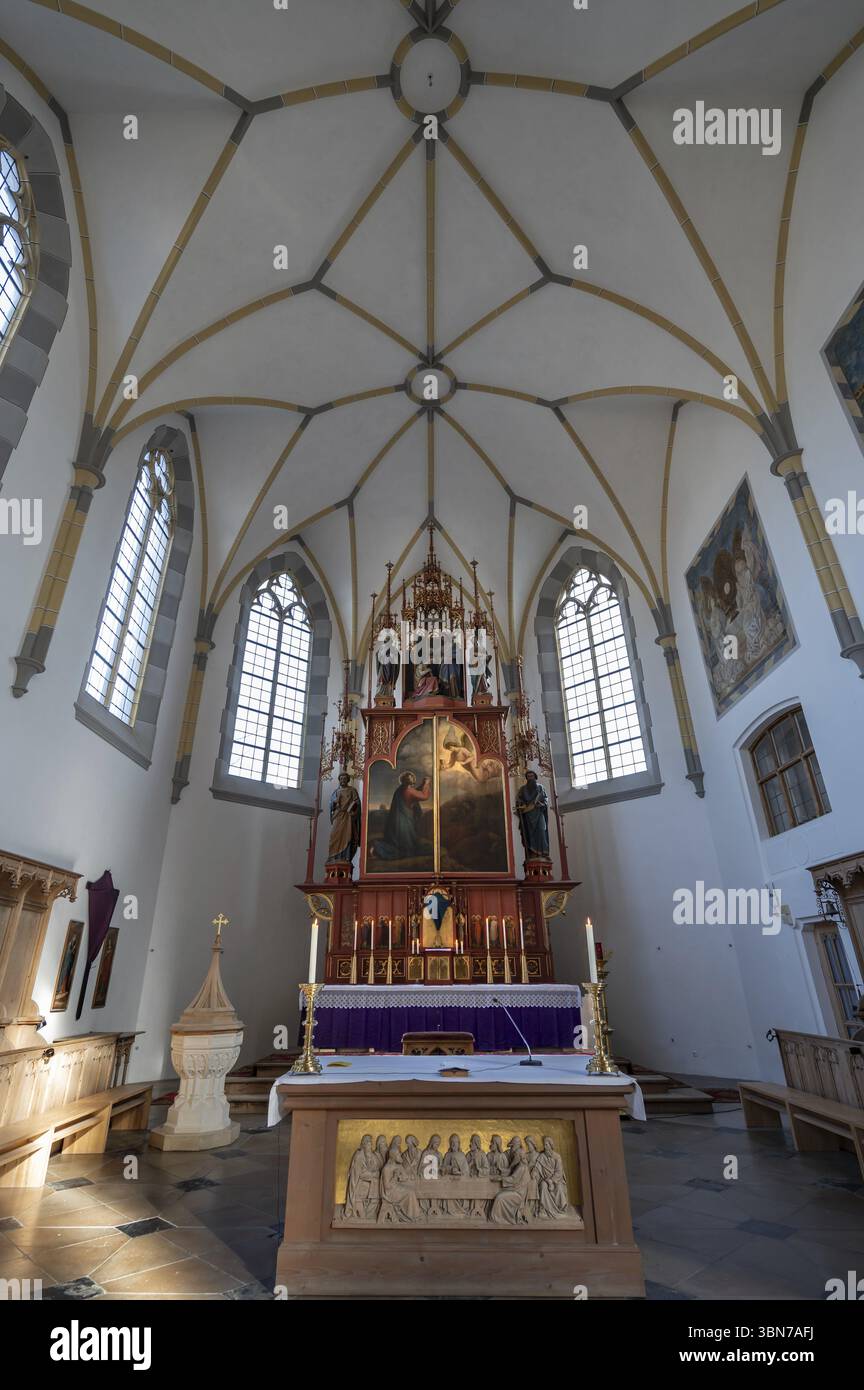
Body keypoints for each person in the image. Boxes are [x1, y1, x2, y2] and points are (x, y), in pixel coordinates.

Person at [371, 770, 431, 861]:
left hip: (399, 819)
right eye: (412, 779)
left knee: (404, 842)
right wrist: (426, 784)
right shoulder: (409, 790)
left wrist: (422, 785)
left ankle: (378, 848)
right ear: (411, 781)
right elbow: (424, 796)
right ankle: (377, 848)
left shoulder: (401, 789)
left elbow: (415, 792)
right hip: (405, 820)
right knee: (406, 849)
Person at [378, 1139, 421, 1224]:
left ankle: (414, 1215)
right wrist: (395, 1177)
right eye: (398, 1154)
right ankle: (410, 1217)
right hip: (390, 1193)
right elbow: (387, 1186)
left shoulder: (398, 1165)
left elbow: (404, 1176)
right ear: (393, 1156)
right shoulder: (387, 1168)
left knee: (412, 1190)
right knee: (410, 1192)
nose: (400, 1155)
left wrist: (408, 1177)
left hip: (396, 1188)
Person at [490, 1138, 530, 1225]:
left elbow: (513, 1179)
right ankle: (499, 1218)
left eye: (516, 1155)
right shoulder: (519, 1166)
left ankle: (499, 1219)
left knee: (500, 1198)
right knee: (499, 1194)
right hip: (516, 1191)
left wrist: (500, 1178)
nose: (514, 1157)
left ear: (519, 1156)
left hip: (519, 1195)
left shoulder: (522, 1167)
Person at [326, 772, 361, 865]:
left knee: (347, 836)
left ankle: (345, 857)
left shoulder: (352, 790)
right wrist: (333, 803)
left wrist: (352, 808)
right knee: (334, 836)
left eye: (344, 778)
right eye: (341, 779)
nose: (343, 780)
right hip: (338, 816)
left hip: (348, 817)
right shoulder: (336, 792)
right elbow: (331, 806)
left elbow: (357, 802)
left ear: (348, 780)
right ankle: (333, 857)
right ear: (339, 780)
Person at [514, 768, 550, 859]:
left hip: (538, 813)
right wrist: (521, 805)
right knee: (530, 834)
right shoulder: (522, 789)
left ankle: (543, 853)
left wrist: (541, 803)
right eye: (528, 776)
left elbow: (545, 799)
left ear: (535, 777)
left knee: (542, 830)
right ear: (526, 778)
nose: (530, 778)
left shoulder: (540, 787)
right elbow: (518, 800)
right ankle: (533, 853)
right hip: (528, 816)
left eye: (532, 776)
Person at [344, 1134, 380, 1220]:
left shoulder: (373, 1156)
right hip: (359, 1183)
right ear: (363, 1144)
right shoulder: (359, 1156)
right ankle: (361, 1213)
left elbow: (377, 1170)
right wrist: (372, 1175)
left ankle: (369, 1214)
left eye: (370, 1143)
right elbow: (359, 1173)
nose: (370, 1145)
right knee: (363, 1191)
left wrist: (374, 1174)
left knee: (378, 1190)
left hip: (372, 1184)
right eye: (367, 1143)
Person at [536, 1136, 570, 1219]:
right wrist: (534, 1174)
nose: (545, 1147)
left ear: (551, 1145)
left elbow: (559, 1171)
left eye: (547, 1145)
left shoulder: (557, 1156)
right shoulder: (541, 1156)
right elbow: (537, 1168)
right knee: (543, 1186)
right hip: (545, 1179)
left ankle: (560, 1208)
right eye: (544, 1145)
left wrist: (551, 1180)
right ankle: (544, 1209)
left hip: (556, 1180)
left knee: (559, 1187)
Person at [441, 1133, 471, 1217]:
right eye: (452, 1142)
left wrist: (460, 1172)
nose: (453, 1144)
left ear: (459, 1144)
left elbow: (466, 1171)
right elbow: (443, 1169)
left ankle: (461, 1209)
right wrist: (450, 1169)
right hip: (450, 1182)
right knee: (447, 1189)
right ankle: (450, 1210)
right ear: (450, 1144)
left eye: (455, 1142)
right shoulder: (447, 1155)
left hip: (461, 1182)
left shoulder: (462, 1155)